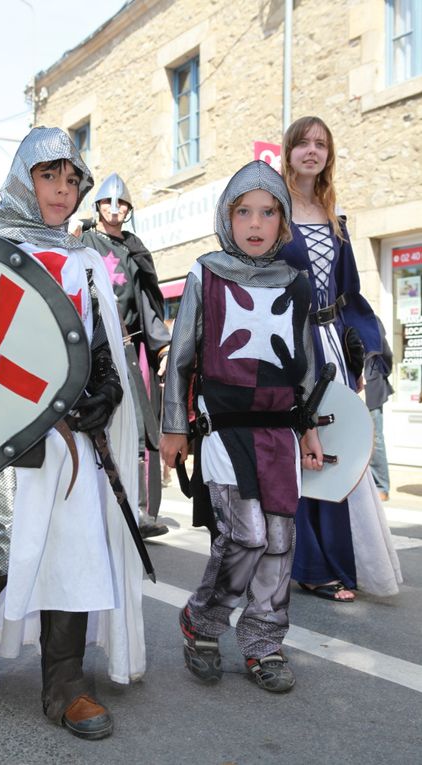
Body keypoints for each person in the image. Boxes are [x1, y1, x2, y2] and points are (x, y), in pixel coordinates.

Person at [0, 127, 145, 740]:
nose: (63, 192)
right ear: (23, 180)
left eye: (73, 181)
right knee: (6, 543)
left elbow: (95, 344)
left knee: (75, 544)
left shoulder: (82, 260)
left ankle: (66, 683)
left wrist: (107, 391)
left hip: (69, 434)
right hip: (6, 433)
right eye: (50, 178)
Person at [161, 160, 324, 693]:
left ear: (282, 221)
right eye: (244, 212)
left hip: (278, 431)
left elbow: (307, 366)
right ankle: (203, 624)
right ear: (226, 218)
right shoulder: (205, 274)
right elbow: (181, 358)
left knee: (279, 540)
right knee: (245, 536)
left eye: (268, 212)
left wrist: (309, 428)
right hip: (224, 428)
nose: (255, 224)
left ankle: (264, 643)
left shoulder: (297, 285)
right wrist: (173, 427)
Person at [278, 115, 402, 601]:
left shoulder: (334, 217)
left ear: (328, 155)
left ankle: (329, 559)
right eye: (303, 143)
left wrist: (366, 349)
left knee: (334, 453)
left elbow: (350, 293)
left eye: (321, 145)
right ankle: (309, 564)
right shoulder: (274, 211)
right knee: (297, 453)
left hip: (329, 344)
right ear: (288, 151)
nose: (312, 151)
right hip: (289, 342)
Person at [80, 174, 171, 539]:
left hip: (131, 350)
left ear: (129, 209)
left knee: (140, 429)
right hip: (94, 349)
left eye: (121, 204)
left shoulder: (135, 249)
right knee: (98, 426)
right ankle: (97, 505)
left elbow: (147, 301)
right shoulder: (83, 243)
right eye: (108, 202)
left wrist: (162, 346)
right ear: (98, 206)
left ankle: (140, 510)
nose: (115, 209)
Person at [365, 316, 394, 501]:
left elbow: (386, 355)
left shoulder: (371, 319)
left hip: (372, 387)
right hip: (351, 385)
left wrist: (378, 375)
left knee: (375, 438)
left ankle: (381, 486)